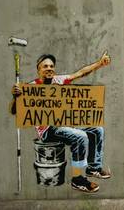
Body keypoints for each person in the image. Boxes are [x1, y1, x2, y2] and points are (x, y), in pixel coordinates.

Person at [11, 52, 111, 193]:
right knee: (80, 137)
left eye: (51, 66)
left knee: (97, 129)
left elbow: (80, 73)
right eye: (45, 66)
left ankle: (93, 168)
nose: (49, 68)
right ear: (38, 69)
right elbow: (16, 111)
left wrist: (99, 63)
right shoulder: (31, 87)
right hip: (48, 130)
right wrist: (16, 97)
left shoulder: (58, 80)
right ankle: (77, 180)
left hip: (64, 123)